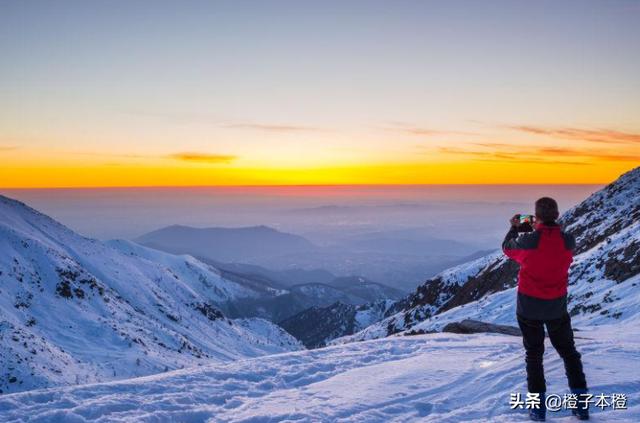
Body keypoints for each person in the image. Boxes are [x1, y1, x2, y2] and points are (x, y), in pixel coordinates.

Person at [502, 197, 589, 421]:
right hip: (556, 307)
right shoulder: (568, 240)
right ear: (558, 216)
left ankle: (537, 409)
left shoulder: (529, 241)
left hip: (529, 307)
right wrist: (540, 226)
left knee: (534, 355)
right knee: (569, 353)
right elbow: (553, 243)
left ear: (536, 217)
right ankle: (581, 405)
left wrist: (514, 227)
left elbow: (507, 249)